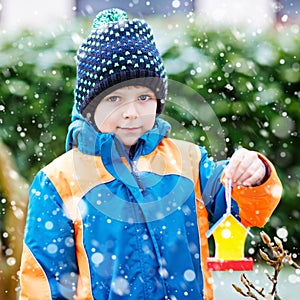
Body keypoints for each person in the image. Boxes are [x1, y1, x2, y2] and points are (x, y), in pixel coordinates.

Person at [19, 8, 282, 300]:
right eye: (114, 98)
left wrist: (255, 173)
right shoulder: (58, 182)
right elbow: (44, 282)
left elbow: (248, 208)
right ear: (90, 107)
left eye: (143, 97)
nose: (131, 113)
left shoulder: (189, 164)